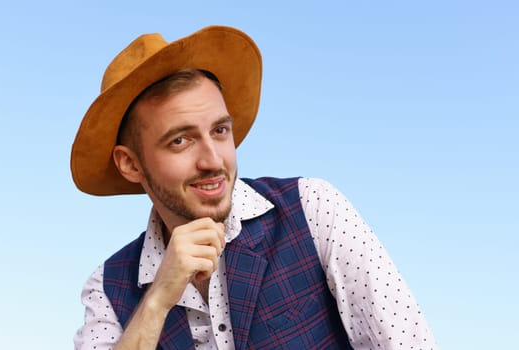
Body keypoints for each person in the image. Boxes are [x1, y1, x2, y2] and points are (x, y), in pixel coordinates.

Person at [72, 25, 437, 349]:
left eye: (219, 131)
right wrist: (157, 301)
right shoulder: (107, 288)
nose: (212, 160)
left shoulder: (313, 208)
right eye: (180, 141)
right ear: (131, 163)